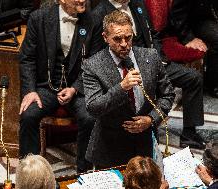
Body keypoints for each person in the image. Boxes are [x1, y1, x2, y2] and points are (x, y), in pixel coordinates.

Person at [92, 0, 205, 149]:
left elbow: (153, 33)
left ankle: (189, 135)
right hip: (126, 69)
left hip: (152, 61)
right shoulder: (98, 13)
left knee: (193, 78)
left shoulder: (137, 3)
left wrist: (158, 57)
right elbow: (98, 52)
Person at [82, 10, 175, 169]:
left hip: (145, 145)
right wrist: (121, 87)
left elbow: (168, 95)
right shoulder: (92, 65)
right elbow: (93, 107)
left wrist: (151, 119)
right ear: (105, 37)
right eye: (117, 39)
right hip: (110, 147)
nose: (124, 44)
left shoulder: (151, 57)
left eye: (128, 37)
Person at [18, 0, 103, 173]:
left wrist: (75, 88)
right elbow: (27, 58)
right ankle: (31, 174)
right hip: (46, 87)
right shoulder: (39, 18)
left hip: (77, 88)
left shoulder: (93, 21)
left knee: (90, 117)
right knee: (28, 115)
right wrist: (30, 91)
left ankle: (84, 171)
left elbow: (95, 62)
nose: (83, 0)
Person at [169, 0, 218, 99]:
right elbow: (177, 13)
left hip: (209, 15)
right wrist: (187, 37)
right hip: (190, 22)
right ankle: (214, 84)